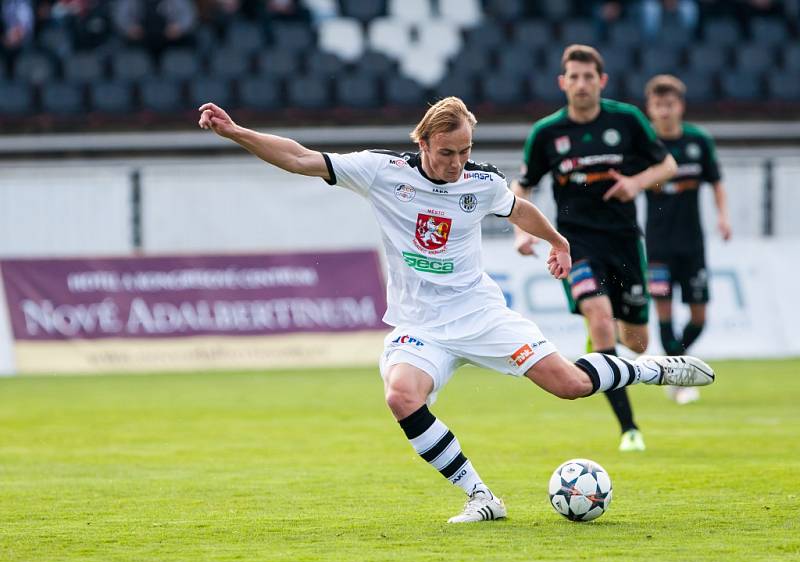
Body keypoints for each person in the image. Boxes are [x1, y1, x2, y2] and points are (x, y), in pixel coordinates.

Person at [197, 96, 714, 523]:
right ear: (421, 143)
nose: (457, 163)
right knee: (401, 396)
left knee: (571, 386)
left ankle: (650, 368)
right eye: (447, 152)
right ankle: (482, 498)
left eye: (465, 151)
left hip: (480, 314)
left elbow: (520, 207)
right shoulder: (381, 172)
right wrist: (237, 131)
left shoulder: (481, 182)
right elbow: (299, 157)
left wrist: (557, 241)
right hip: (421, 325)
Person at [511, 45, 679, 452]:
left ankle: (602, 343)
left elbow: (667, 165)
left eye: (589, 77)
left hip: (624, 240)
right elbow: (524, 183)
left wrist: (636, 183)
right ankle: (629, 429)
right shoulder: (547, 133)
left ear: (601, 81)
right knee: (600, 318)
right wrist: (523, 232)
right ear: (562, 82)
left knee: (637, 342)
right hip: (576, 244)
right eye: (574, 76)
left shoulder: (626, 120)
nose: (581, 84)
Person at [644, 74, 730, 405]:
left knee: (699, 318)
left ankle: (676, 361)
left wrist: (723, 217)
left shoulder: (698, 141)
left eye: (670, 104)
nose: (665, 111)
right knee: (664, 315)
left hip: (693, 244)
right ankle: (680, 380)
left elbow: (716, 183)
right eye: (658, 105)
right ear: (650, 109)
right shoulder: (646, 145)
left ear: (680, 106)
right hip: (659, 246)